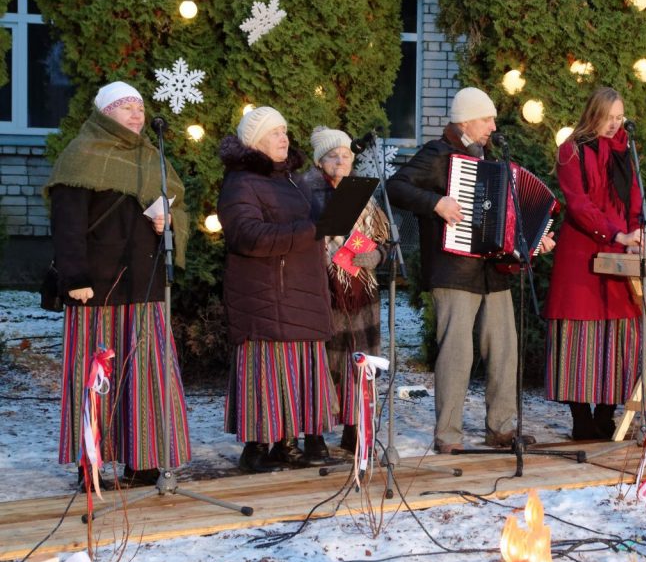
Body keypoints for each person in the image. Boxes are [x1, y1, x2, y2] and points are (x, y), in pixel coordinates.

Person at [387, 87, 554, 453]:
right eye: (486, 119)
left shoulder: (489, 159)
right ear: (464, 121)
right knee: (457, 353)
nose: (493, 127)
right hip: (453, 271)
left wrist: (532, 240)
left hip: (493, 272)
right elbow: (395, 187)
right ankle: (448, 435)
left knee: (504, 349)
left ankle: (502, 428)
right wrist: (436, 203)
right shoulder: (437, 154)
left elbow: (505, 218)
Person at [45, 80, 191, 490]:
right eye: (127, 107)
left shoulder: (151, 157)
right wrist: (74, 278)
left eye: (139, 108)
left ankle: (142, 459)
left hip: (144, 285)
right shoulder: (81, 154)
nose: (137, 115)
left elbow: (175, 205)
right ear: (105, 113)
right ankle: (90, 463)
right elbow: (67, 223)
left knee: (145, 377)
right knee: (95, 378)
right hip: (96, 289)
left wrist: (167, 223)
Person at [218, 106, 335, 472]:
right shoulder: (241, 182)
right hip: (266, 294)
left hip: (302, 288)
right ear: (255, 141)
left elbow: (311, 225)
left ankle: (287, 443)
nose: (284, 138)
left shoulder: (293, 180)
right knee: (267, 372)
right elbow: (247, 235)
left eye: (285, 131)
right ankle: (256, 448)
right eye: (275, 133)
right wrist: (308, 231)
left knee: (297, 371)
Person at [544, 87, 643, 440]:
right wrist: (616, 234)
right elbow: (579, 203)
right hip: (582, 253)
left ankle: (606, 412)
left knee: (618, 333)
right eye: (608, 118)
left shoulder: (625, 152)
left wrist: (636, 233)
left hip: (621, 250)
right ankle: (581, 417)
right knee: (579, 337)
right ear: (593, 114)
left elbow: (635, 201)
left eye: (619, 118)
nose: (614, 125)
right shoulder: (572, 149)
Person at [304, 126, 389, 457]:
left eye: (346, 155)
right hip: (324, 289)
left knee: (360, 360)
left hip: (361, 290)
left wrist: (377, 255)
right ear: (319, 161)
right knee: (323, 364)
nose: (341, 161)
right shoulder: (307, 192)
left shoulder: (363, 195)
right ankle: (315, 433)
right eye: (332, 156)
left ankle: (355, 426)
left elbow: (383, 239)